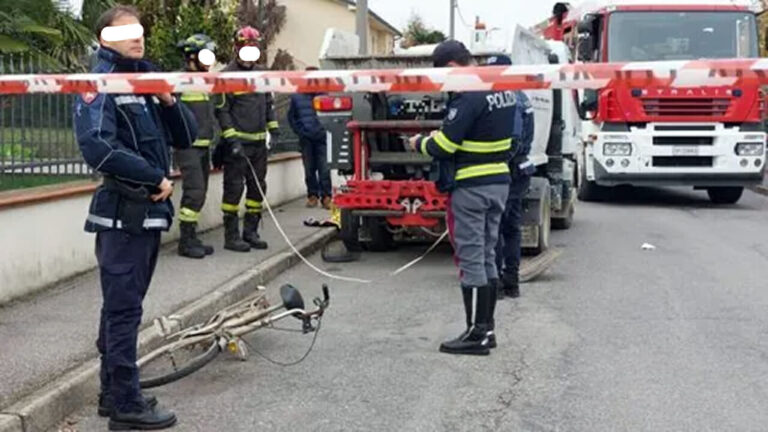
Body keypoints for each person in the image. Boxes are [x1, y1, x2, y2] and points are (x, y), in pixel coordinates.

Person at [74, 5, 197, 430]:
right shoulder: (99, 83)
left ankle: (114, 394)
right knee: (124, 312)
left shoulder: (144, 78)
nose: (137, 36)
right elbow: (98, 147)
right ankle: (126, 405)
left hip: (147, 215)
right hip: (123, 214)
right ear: (104, 38)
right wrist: (154, 178)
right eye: (125, 30)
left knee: (122, 310)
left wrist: (167, 100)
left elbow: (187, 137)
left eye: (139, 30)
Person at [409, 40, 515, 356]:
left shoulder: (468, 94)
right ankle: (488, 329)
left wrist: (418, 143)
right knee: (486, 256)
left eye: (443, 74)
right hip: (498, 183)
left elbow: (444, 145)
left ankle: (476, 333)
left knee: (471, 259)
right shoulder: (500, 88)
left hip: (471, 187)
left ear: (452, 67)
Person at [214, 26, 280, 252]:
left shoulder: (261, 75)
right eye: (246, 48)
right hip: (238, 144)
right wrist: (231, 140)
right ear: (237, 48)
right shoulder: (227, 76)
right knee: (233, 189)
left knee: (257, 189)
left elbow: (268, 103)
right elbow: (222, 111)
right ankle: (231, 236)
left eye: (254, 48)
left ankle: (251, 232)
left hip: (259, 144)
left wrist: (274, 128)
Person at [487, 55, 536, 299]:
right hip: (520, 169)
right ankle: (512, 283)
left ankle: (496, 285)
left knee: (496, 227)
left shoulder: (508, 98)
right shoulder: (521, 95)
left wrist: (495, 162)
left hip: (509, 169)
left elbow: (513, 141)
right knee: (511, 228)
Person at [175, 33, 218, 259]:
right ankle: (185, 241)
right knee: (194, 192)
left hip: (204, 146)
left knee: (200, 193)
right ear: (192, 56)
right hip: (188, 146)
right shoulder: (179, 81)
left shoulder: (205, 81)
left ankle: (192, 237)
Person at [287, 66, 333, 209]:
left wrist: (326, 130)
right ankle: (312, 196)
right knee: (309, 169)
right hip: (306, 138)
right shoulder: (297, 96)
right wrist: (300, 132)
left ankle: (326, 197)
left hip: (322, 138)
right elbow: (291, 117)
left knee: (324, 169)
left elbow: (332, 116)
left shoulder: (326, 95)